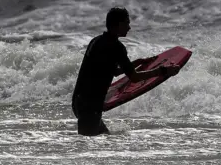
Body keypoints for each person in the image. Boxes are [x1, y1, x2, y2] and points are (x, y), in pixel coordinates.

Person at [72, 7, 180, 136]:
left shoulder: (96, 41)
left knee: (104, 137)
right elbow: (134, 77)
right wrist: (163, 71)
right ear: (117, 24)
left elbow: (113, 71)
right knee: (89, 148)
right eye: (127, 23)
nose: (129, 27)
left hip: (79, 101)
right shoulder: (116, 47)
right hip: (90, 105)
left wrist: (137, 62)